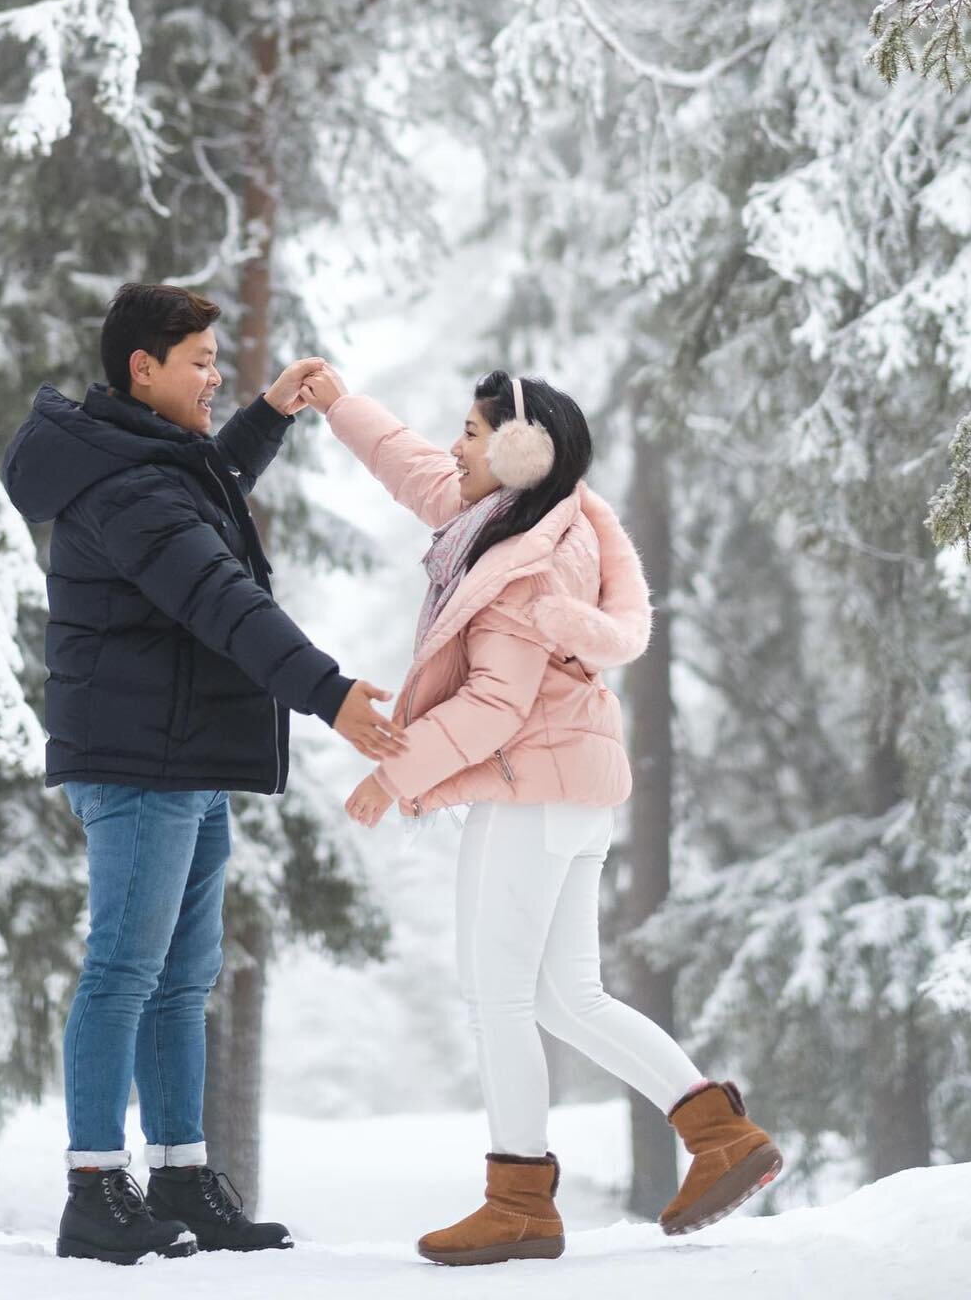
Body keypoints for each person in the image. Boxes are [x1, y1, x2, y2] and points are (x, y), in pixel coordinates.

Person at [299, 364, 782, 1265]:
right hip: (566, 795)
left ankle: (519, 1197)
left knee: (499, 997)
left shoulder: (526, 564)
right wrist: (337, 404)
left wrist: (394, 776)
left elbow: (492, 705)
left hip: (529, 790)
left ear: (522, 452)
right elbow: (415, 467)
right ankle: (721, 1136)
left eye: (475, 434)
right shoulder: (507, 516)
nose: (457, 446)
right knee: (568, 996)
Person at [1, 282, 405, 1266]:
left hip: (177, 754)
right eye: (200, 365)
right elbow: (219, 594)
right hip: (143, 761)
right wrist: (330, 692)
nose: (214, 378)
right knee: (124, 975)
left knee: (182, 984)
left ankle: (181, 1175)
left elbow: (208, 489)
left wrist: (269, 413)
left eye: (217, 363)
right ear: (143, 368)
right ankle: (96, 1188)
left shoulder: (141, 461)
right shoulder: (129, 487)